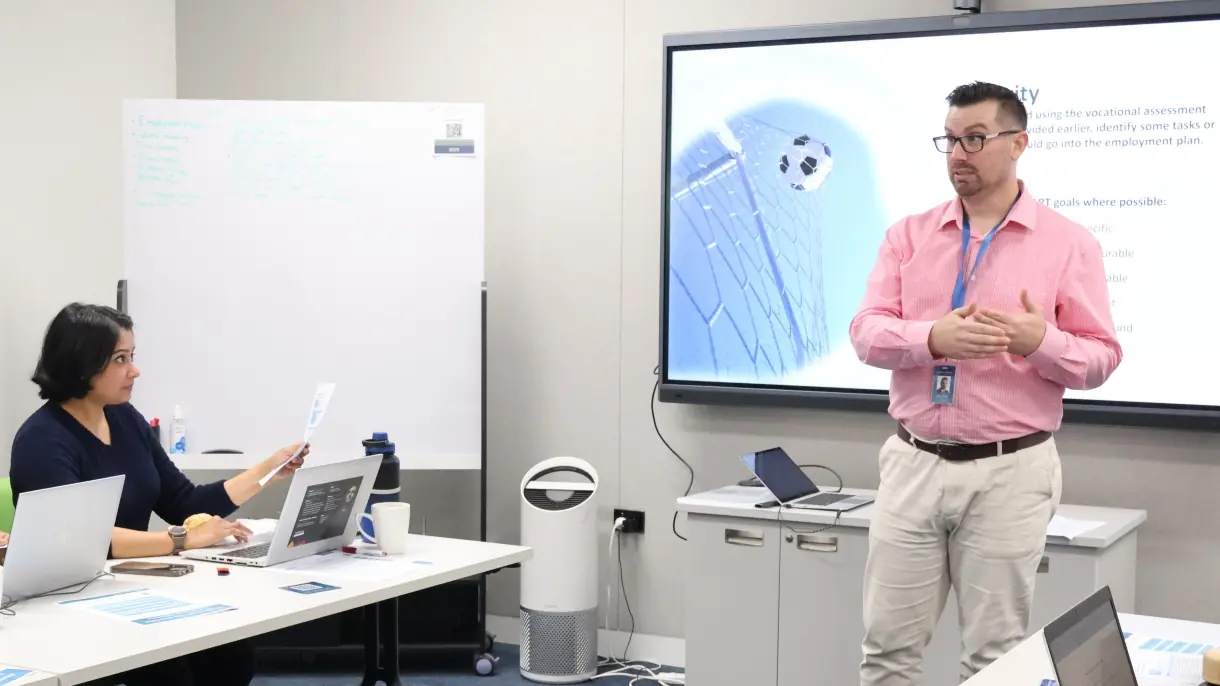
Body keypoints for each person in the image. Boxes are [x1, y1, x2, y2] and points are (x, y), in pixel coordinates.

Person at [849, 82, 1122, 685]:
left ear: (1018, 143)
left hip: (1010, 469)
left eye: (974, 139)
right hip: (912, 462)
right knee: (886, 651)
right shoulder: (908, 236)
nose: (957, 154)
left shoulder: (1068, 243)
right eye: (949, 141)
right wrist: (931, 340)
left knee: (995, 658)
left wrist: (1040, 341)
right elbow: (866, 333)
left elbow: (1102, 357)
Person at [9, 303, 310, 686]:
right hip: (68, 601)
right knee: (173, 674)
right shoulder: (42, 440)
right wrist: (180, 539)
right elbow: (79, 539)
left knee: (231, 654)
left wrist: (269, 469)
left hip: (126, 587)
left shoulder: (124, 417)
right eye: (120, 359)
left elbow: (184, 503)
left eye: (132, 356)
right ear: (82, 363)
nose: (134, 370)